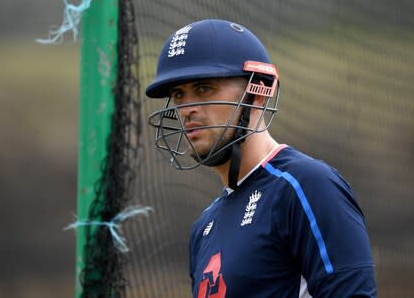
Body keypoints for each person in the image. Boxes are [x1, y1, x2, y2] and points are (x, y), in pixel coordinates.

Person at [146, 19, 376, 298]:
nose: (187, 109)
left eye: (204, 88)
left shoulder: (307, 186)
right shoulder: (203, 228)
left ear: (257, 92)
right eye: (178, 94)